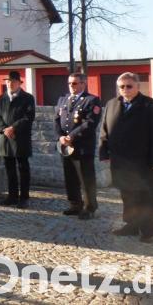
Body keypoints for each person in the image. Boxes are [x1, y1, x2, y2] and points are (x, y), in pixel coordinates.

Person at [99, 72, 153, 243]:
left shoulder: (151, 106)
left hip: (143, 162)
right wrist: (103, 151)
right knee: (128, 195)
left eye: (129, 86)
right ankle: (131, 226)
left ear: (138, 86)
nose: (125, 89)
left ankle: (149, 231)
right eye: (121, 86)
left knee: (146, 197)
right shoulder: (111, 104)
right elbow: (105, 130)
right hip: (120, 162)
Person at [54, 73, 102, 220]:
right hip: (65, 146)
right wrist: (60, 136)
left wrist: (71, 136)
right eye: (69, 83)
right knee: (70, 177)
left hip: (82, 146)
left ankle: (90, 207)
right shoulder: (63, 99)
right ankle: (75, 204)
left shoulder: (92, 100)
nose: (71, 86)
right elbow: (56, 119)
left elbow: (90, 123)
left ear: (83, 84)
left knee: (86, 178)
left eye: (75, 83)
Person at [0, 71, 35, 209]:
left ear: (19, 83)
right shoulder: (2, 98)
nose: (9, 84)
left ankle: (24, 198)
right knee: (9, 169)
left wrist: (13, 128)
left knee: (23, 169)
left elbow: (28, 117)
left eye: (12, 81)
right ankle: (12, 196)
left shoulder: (27, 98)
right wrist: (4, 129)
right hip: (5, 138)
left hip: (20, 138)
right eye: (8, 81)